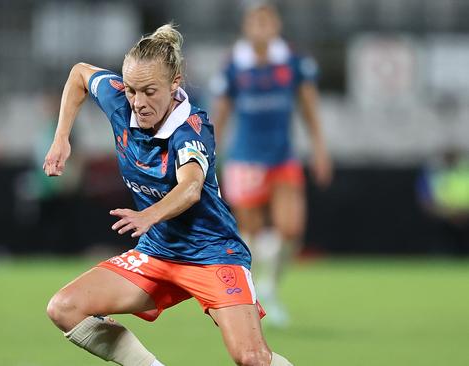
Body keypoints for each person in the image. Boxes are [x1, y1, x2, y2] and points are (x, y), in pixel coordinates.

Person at [44, 24, 294, 366]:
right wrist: (61, 138)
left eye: (149, 91)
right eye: (131, 90)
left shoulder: (191, 128)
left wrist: (149, 215)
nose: (138, 103)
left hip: (213, 252)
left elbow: (190, 188)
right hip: (158, 254)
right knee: (64, 308)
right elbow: (79, 75)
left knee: (251, 358)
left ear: (175, 82)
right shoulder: (120, 99)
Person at [211, 4, 332, 327]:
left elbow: (309, 109)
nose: (262, 27)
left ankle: (269, 285)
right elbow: (221, 113)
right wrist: (210, 155)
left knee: (291, 230)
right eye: (256, 21)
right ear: (246, 27)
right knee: (249, 234)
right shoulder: (234, 65)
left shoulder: (293, 61)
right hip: (245, 159)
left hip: (283, 156)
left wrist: (320, 150)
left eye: (267, 21)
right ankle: (250, 298)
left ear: (277, 25)